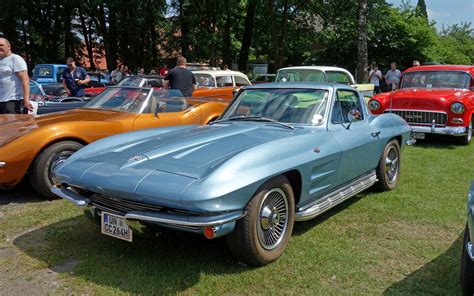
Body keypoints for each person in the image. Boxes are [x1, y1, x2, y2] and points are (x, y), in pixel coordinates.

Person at [0, 37, 33, 114]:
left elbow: (25, 79)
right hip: (1, 101)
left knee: (12, 125)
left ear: (9, 46)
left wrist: (26, 100)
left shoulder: (15, 59)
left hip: (13, 102)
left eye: (1, 45)